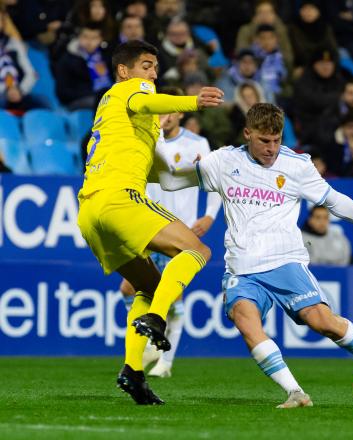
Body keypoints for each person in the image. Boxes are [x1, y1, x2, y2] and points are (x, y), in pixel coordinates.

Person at [156, 103, 353, 408]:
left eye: (277, 140)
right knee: (245, 321)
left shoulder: (296, 166)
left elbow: (334, 200)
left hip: (286, 262)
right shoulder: (223, 161)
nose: (271, 149)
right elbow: (171, 180)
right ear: (248, 133)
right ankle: (295, 392)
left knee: (323, 322)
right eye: (264, 141)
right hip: (242, 268)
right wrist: (160, 139)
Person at [76, 40, 223, 405]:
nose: (153, 74)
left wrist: (216, 176)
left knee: (148, 284)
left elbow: (171, 178)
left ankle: (133, 372)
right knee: (198, 249)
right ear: (124, 71)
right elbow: (144, 100)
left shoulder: (128, 125)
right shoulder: (130, 92)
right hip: (119, 199)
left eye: (155, 68)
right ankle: (158, 319)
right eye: (146, 65)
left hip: (90, 213)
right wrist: (191, 102)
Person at [119, 86, 222, 379]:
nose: (162, 115)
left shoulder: (197, 143)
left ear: (179, 112)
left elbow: (213, 182)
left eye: (167, 110)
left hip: (178, 228)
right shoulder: (147, 138)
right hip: (148, 226)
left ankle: (165, 360)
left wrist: (210, 216)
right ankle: (154, 343)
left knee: (172, 296)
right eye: (158, 109)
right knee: (128, 289)